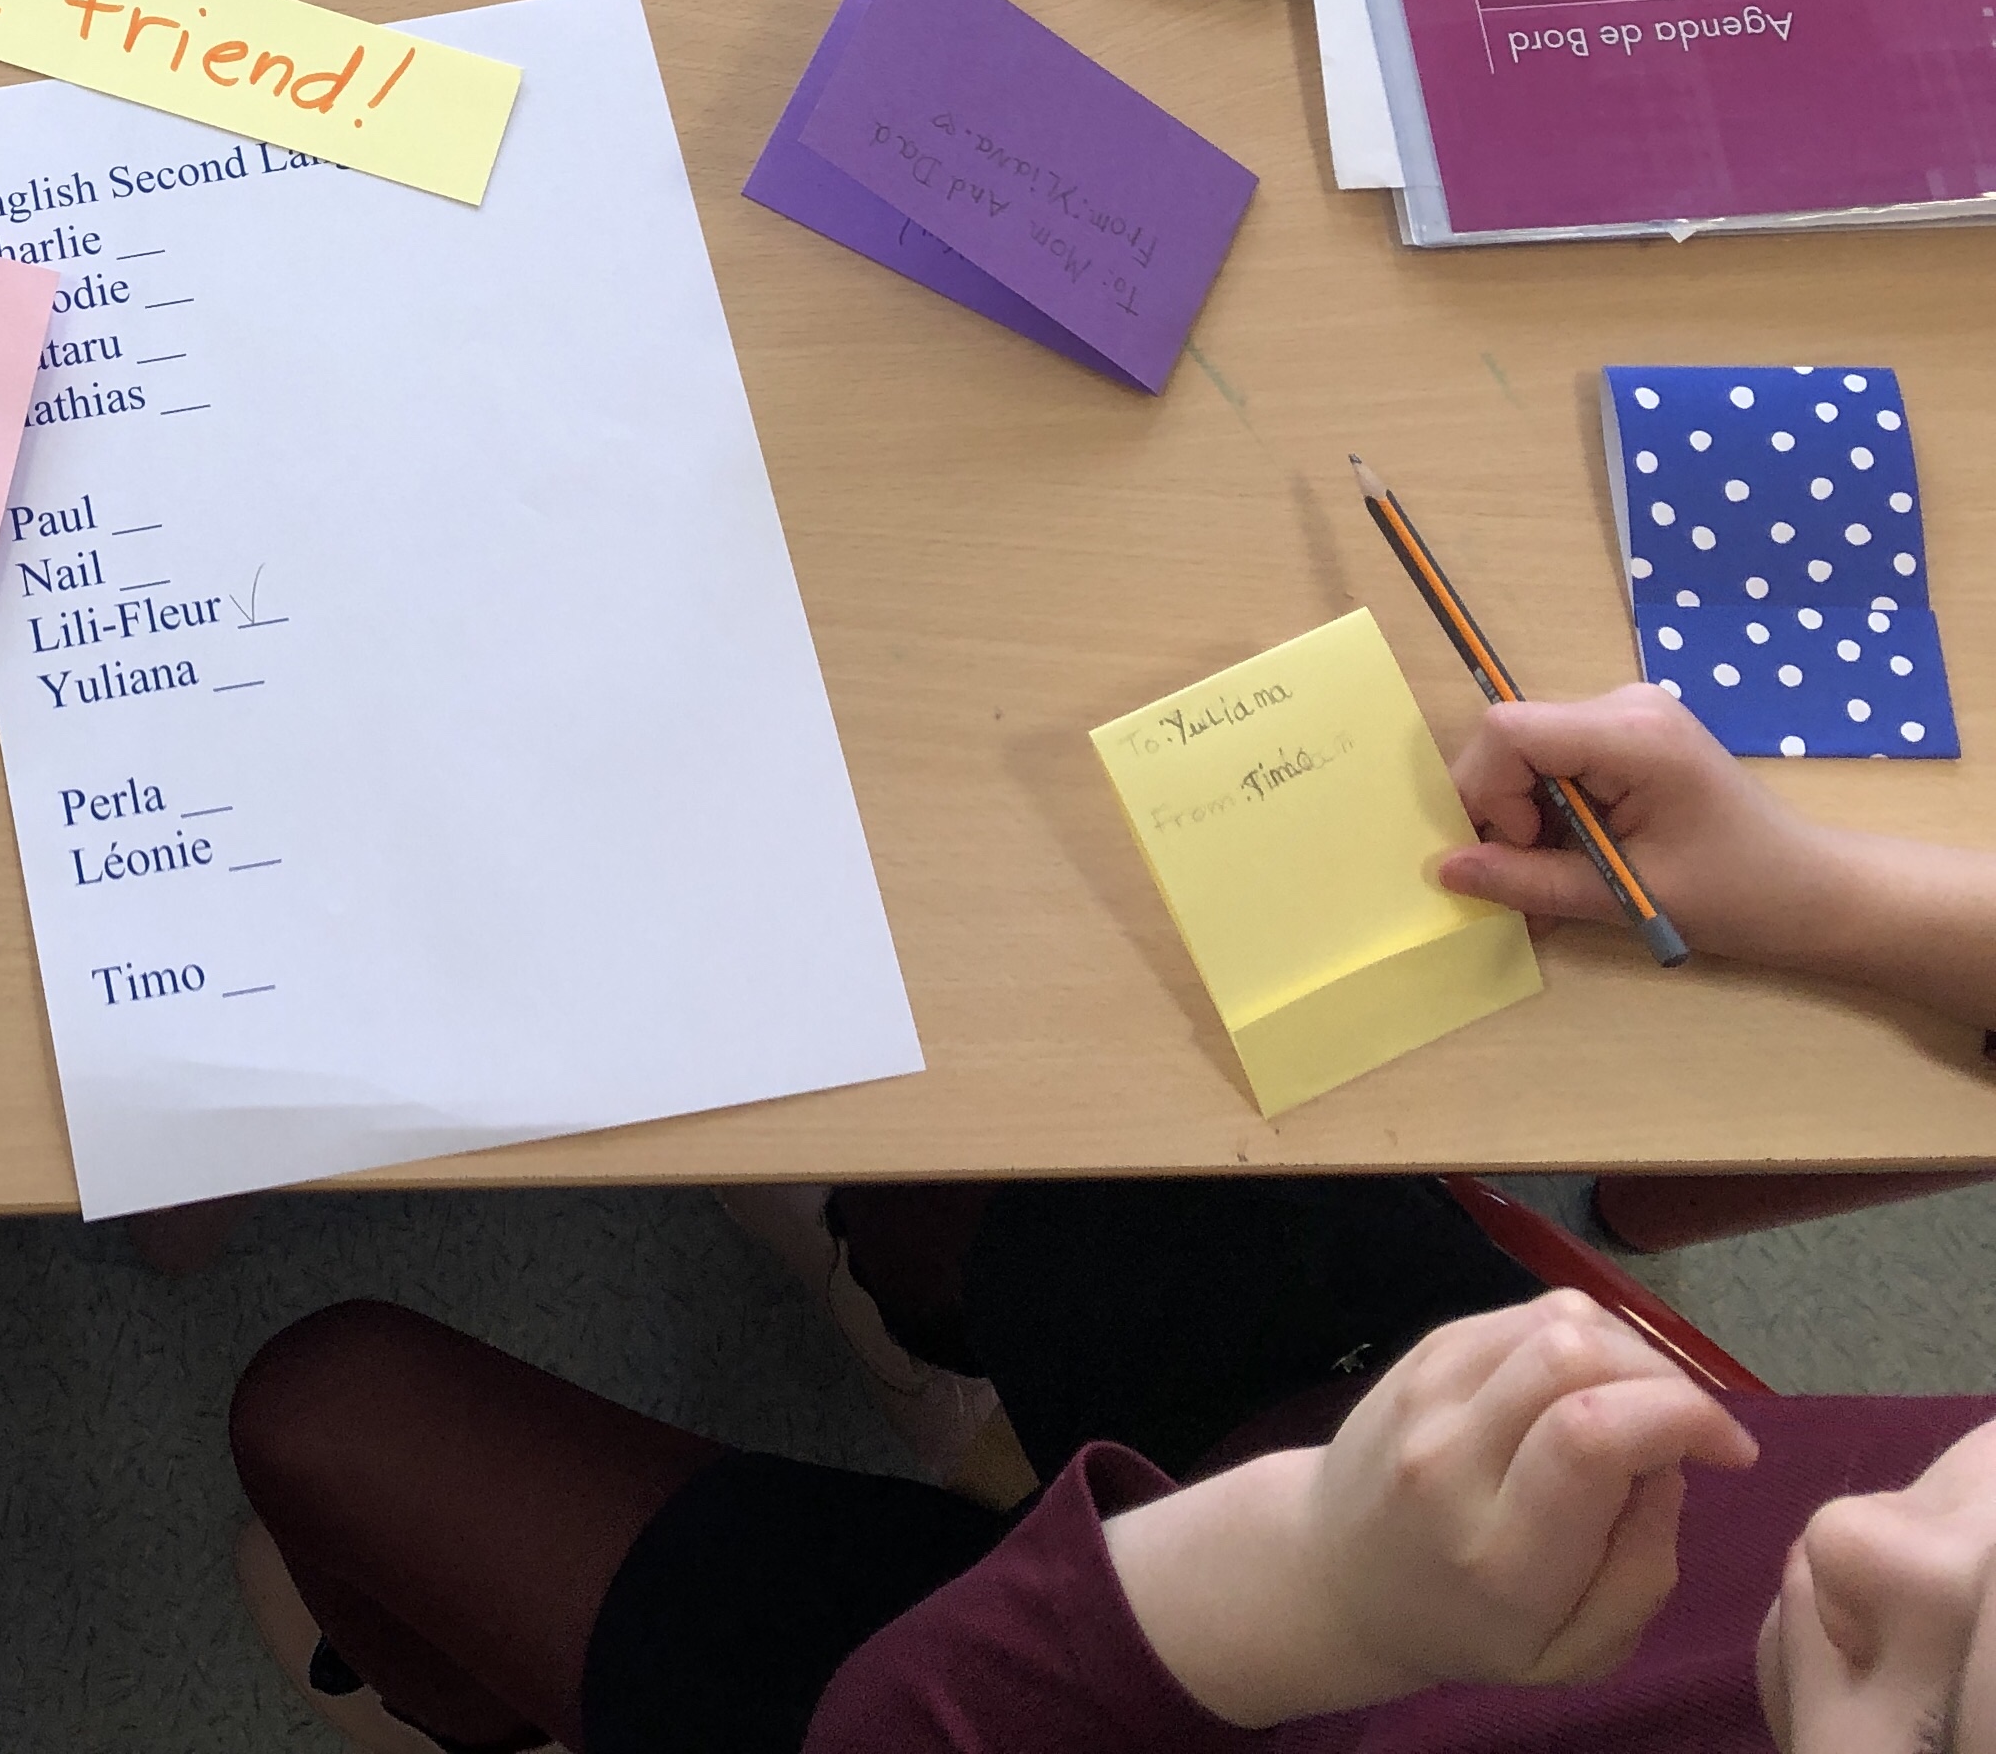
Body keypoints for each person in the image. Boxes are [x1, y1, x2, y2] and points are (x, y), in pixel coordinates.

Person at [226, 681, 1996, 1754]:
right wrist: (1832, 895)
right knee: (1011, 1072)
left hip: (1106, 1683)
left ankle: (478, 1708)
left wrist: (1306, 1589)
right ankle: (935, 1328)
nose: (1865, 1551)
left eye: (1934, 1723)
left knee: (324, 1408)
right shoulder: (1856, 1572)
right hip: (1379, 1416)